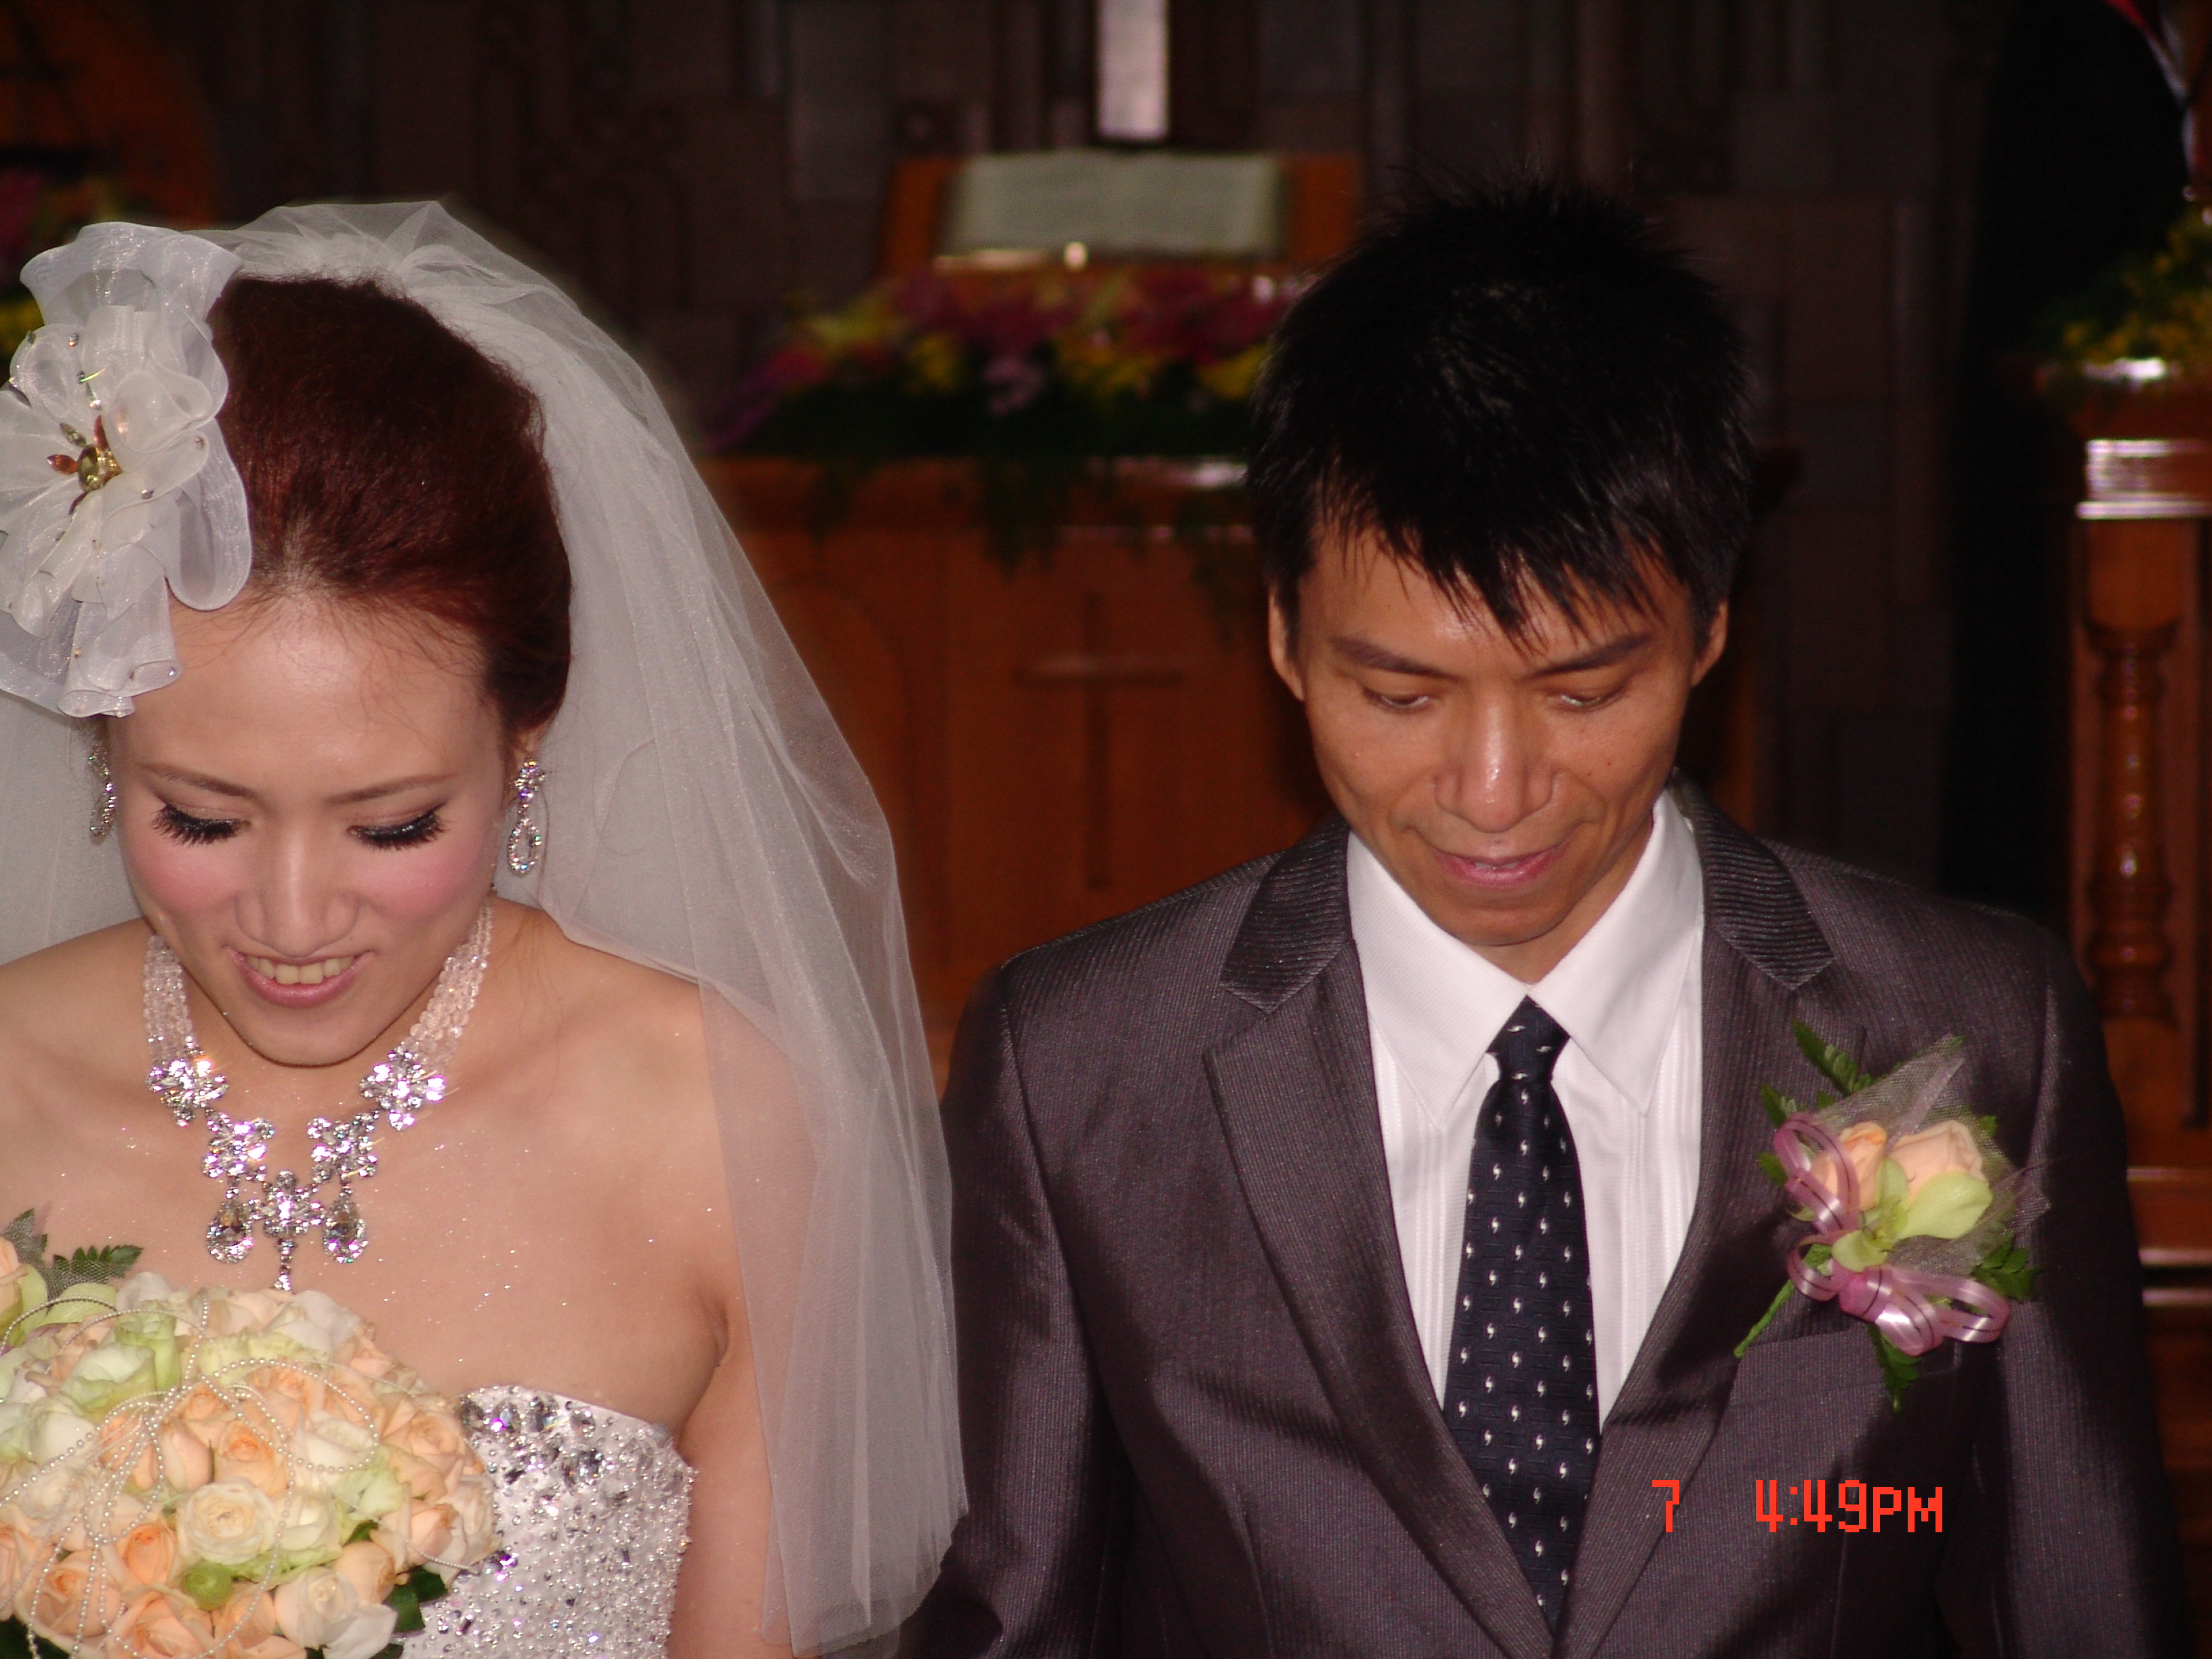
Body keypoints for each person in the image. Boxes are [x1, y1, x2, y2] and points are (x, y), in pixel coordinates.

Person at [909, 182, 2187, 1656]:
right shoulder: (1085, 1070)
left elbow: (2081, 1608)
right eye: (1400, 696)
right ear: (1283, 634)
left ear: (1711, 627)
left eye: (1583, 693)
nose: (1494, 791)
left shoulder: (1966, 1030)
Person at [0, 206, 960, 1657]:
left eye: (391, 826)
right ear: (101, 748)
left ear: (527, 741)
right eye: (201, 819)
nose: (295, 919)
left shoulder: (710, 1116)